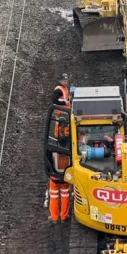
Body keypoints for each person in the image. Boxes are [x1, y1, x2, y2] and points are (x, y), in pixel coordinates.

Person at [49, 74, 71, 222]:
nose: (66, 82)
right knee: (65, 195)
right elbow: (55, 101)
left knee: (54, 196)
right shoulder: (58, 90)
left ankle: (56, 216)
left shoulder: (52, 150)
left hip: (54, 177)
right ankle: (63, 216)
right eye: (64, 80)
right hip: (65, 177)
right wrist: (66, 102)